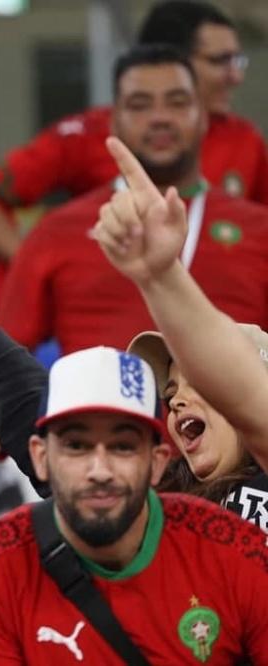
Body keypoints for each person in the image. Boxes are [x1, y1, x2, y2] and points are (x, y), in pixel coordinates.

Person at [0, 345, 268, 664]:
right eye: (77, 446)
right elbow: (11, 387)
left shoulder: (237, 550)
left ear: (157, 462)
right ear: (40, 457)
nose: (100, 471)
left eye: (123, 447)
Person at [0, 1, 268, 312]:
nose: (235, 76)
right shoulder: (88, 135)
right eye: (220, 61)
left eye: (236, 60)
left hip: (219, 321)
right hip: (112, 316)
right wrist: (41, 268)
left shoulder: (245, 140)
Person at [0, 44, 268, 355]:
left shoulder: (260, 230)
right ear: (114, 122)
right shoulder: (56, 232)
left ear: (204, 118)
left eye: (178, 102)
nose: (160, 117)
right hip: (98, 390)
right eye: (139, 105)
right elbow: (2, 362)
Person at [92, 133, 268, 529]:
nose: (175, 404)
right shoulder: (158, 511)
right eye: (170, 394)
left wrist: (162, 274)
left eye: (201, 383)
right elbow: (26, 400)